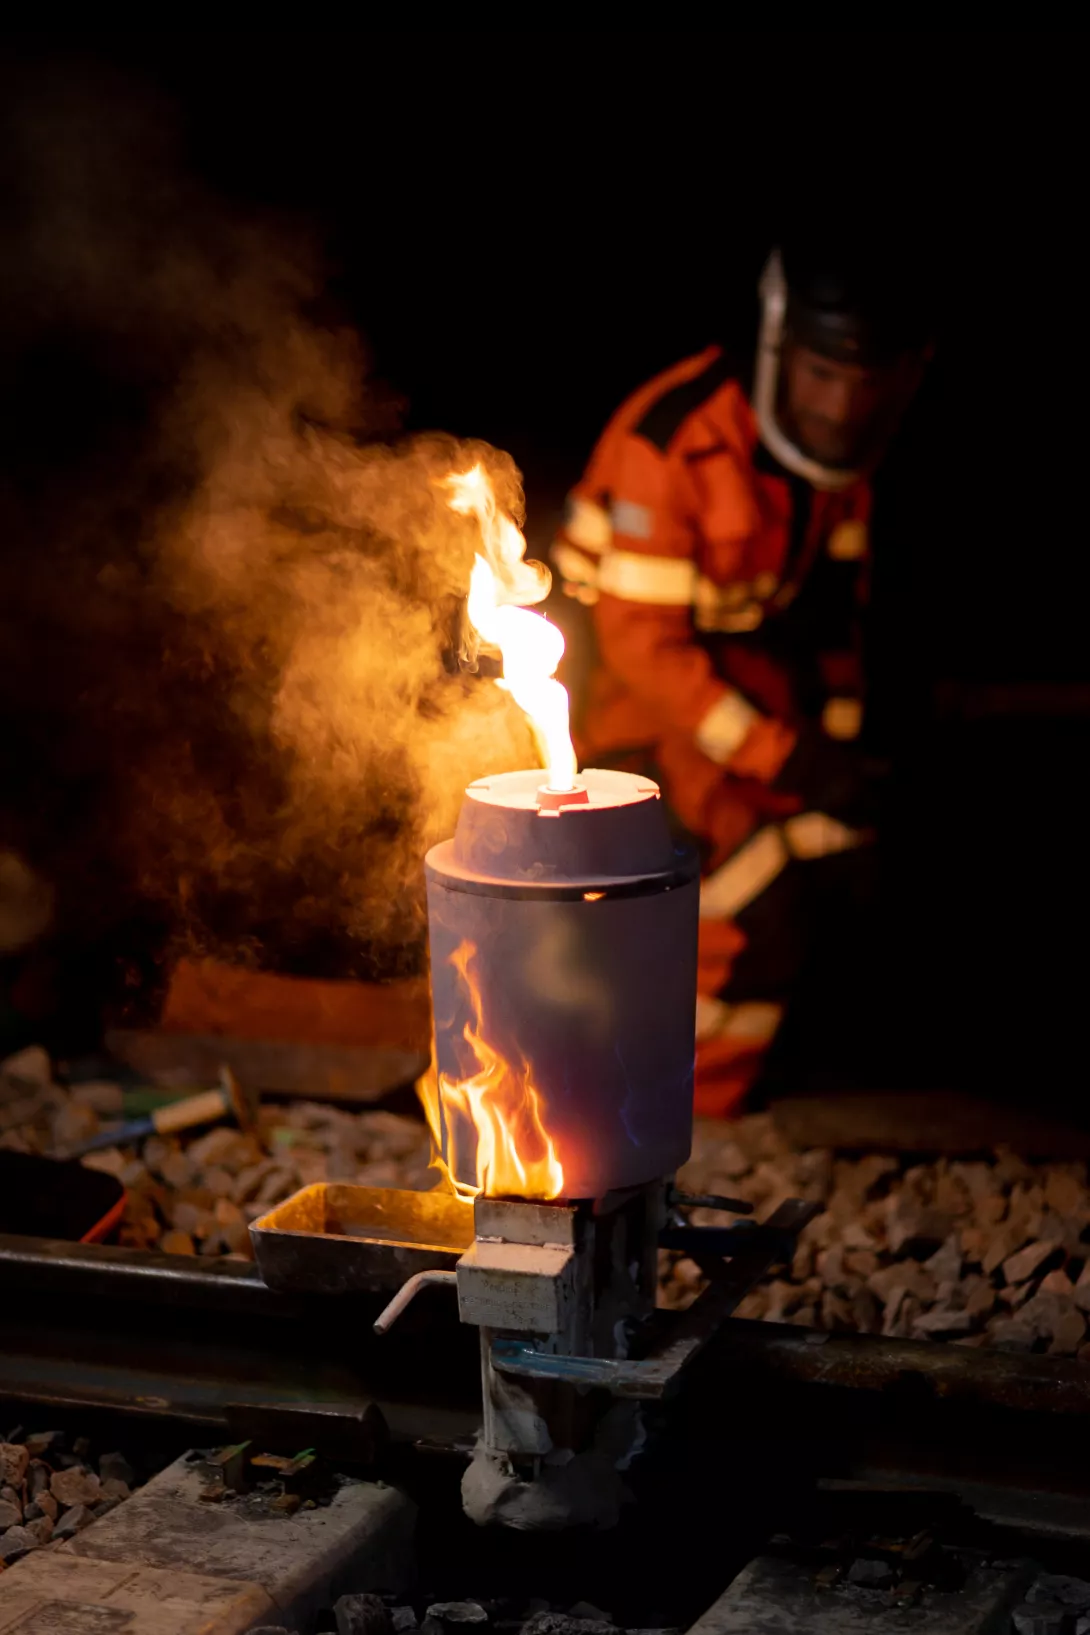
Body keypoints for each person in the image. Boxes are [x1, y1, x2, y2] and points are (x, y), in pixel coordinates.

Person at [552, 236, 933, 1114]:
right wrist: (784, 758)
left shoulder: (837, 461)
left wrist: (836, 760)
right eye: (823, 374)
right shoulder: (675, 444)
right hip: (624, 711)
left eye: (866, 382)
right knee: (755, 903)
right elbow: (641, 651)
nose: (841, 407)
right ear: (778, 346)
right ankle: (679, 1117)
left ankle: (754, 1094)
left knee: (845, 859)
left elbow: (830, 622)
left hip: (737, 700)